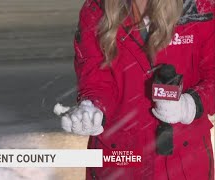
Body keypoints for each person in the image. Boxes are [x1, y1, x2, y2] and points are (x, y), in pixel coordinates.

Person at [60, 0, 215, 179]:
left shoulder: (199, 7)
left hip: (185, 162)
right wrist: (93, 108)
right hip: (119, 160)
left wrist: (190, 104)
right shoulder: (96, 9)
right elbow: (96, 80)